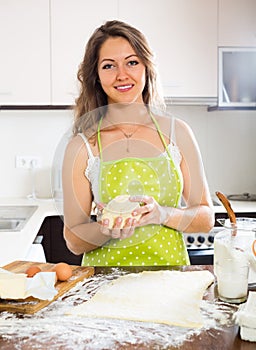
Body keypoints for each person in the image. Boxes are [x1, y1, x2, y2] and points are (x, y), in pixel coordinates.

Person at [62, 20, 215, 267]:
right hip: (104, 285)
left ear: (146, 67)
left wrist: (161, 214)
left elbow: (206, 217)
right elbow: (73, 239)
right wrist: (106, 229)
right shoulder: (82, 146)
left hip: (171, 282)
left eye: (132, 62)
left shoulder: (178, 133)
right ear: (96, 75)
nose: (122, 75)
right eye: (109, 65)